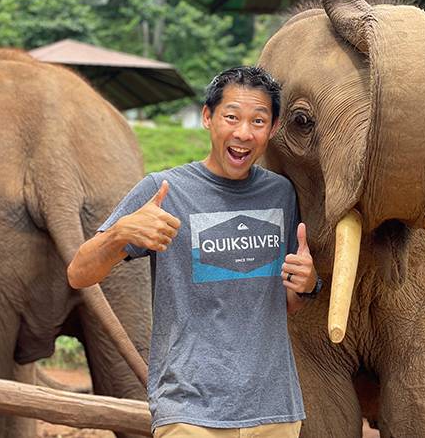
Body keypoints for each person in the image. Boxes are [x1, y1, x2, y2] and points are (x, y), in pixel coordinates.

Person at [67, 66, 320, 438]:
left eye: (258, 121)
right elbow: (79, 273)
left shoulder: (281, 194)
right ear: (207, 117)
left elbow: (278, 302)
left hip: (273, 411)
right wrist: (120, 232)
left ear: (274, 127)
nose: (243, 133)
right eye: (231, 117)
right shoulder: (165, 190)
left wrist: (307, 284)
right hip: (189, 412)